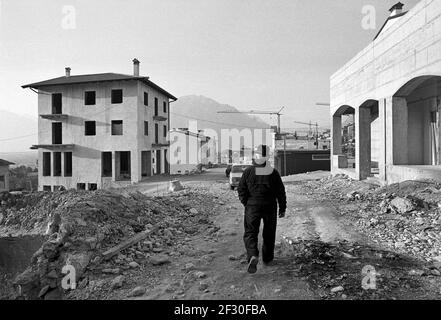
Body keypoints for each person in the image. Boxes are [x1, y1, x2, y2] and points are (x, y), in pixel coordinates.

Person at [237, 145, 287, 274]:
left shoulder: (248, 171)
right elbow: (281, 192)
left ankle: (253, 255)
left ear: (256, 156)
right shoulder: (273, 172)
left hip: (252, 206)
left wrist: (246, 203)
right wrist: (282, 208)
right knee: (269, 233)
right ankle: (267, 259)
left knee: (250, 233)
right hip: (270, 206)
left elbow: (241, 189)